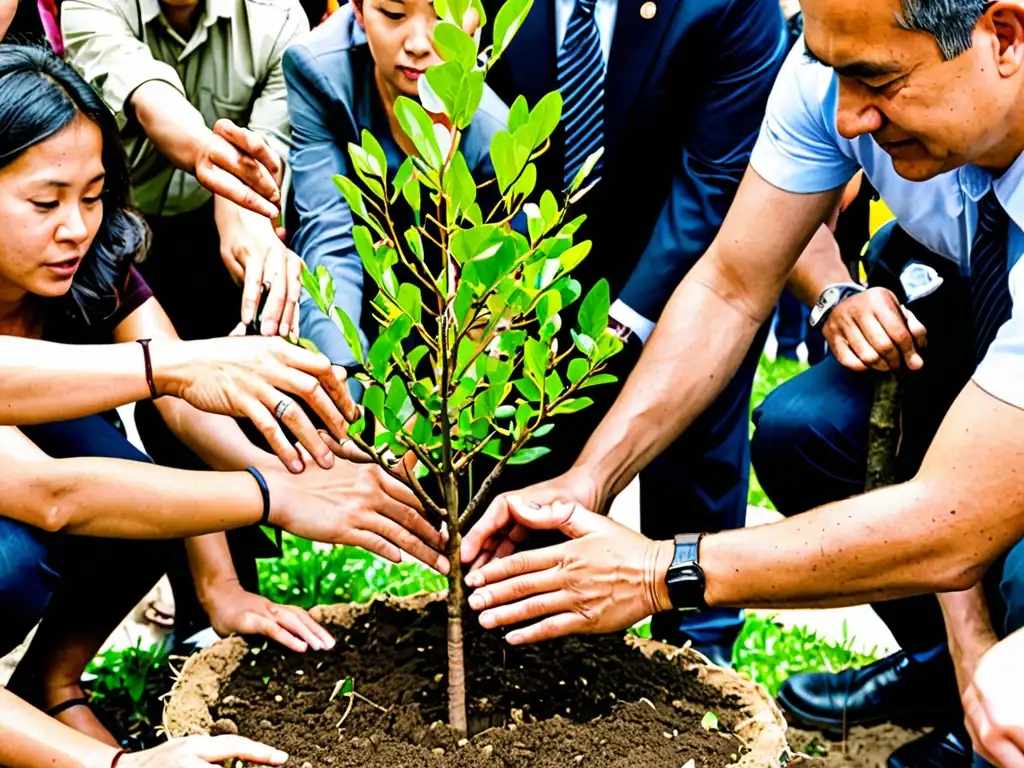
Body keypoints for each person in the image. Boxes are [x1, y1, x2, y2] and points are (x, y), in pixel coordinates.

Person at [460, 1, 1024, 765]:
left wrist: (661, 573)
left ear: (1006, 37)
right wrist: (589, 478)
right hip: (979, 331)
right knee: (808, 434)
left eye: (876, 80)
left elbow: (957, 519)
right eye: (832, 73)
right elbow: (731, 285)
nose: (850, 117)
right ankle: (950, 674)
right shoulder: (835, 69)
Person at [0, 44, 442, 748]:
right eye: (46, 202)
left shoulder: (89, 260)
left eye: (92, 196)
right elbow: (52, 491)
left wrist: (220, 585)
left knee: (141, 501)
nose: (76, 227)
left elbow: (182, 407)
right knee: (13, 561)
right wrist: (270, 495)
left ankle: (50, 687)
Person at [470, 0, 788, 663]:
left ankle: (697, 654)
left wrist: (625, 318)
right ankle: (527, 632)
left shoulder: (727, 6)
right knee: (531, 453)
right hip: (537, 263)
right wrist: (508, 284)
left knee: (693, 443)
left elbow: (714, 178)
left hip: (693, 264)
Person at [61, 0, 308, 342]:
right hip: (108, 231)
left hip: (210, 230)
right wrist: (205, 150)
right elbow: (145, 91)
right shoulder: (90, 5)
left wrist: (253, 230)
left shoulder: (279, 17)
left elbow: (268, 147)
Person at [283, 0, 506, 371]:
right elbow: (329, 237)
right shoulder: (317, 69)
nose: (418, 43)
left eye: (444, 16)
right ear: (357, 8)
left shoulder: (495, 136)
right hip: (350, 293)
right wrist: (342, 377)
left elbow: (487, 307)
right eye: (392, 13)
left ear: (479, 15)